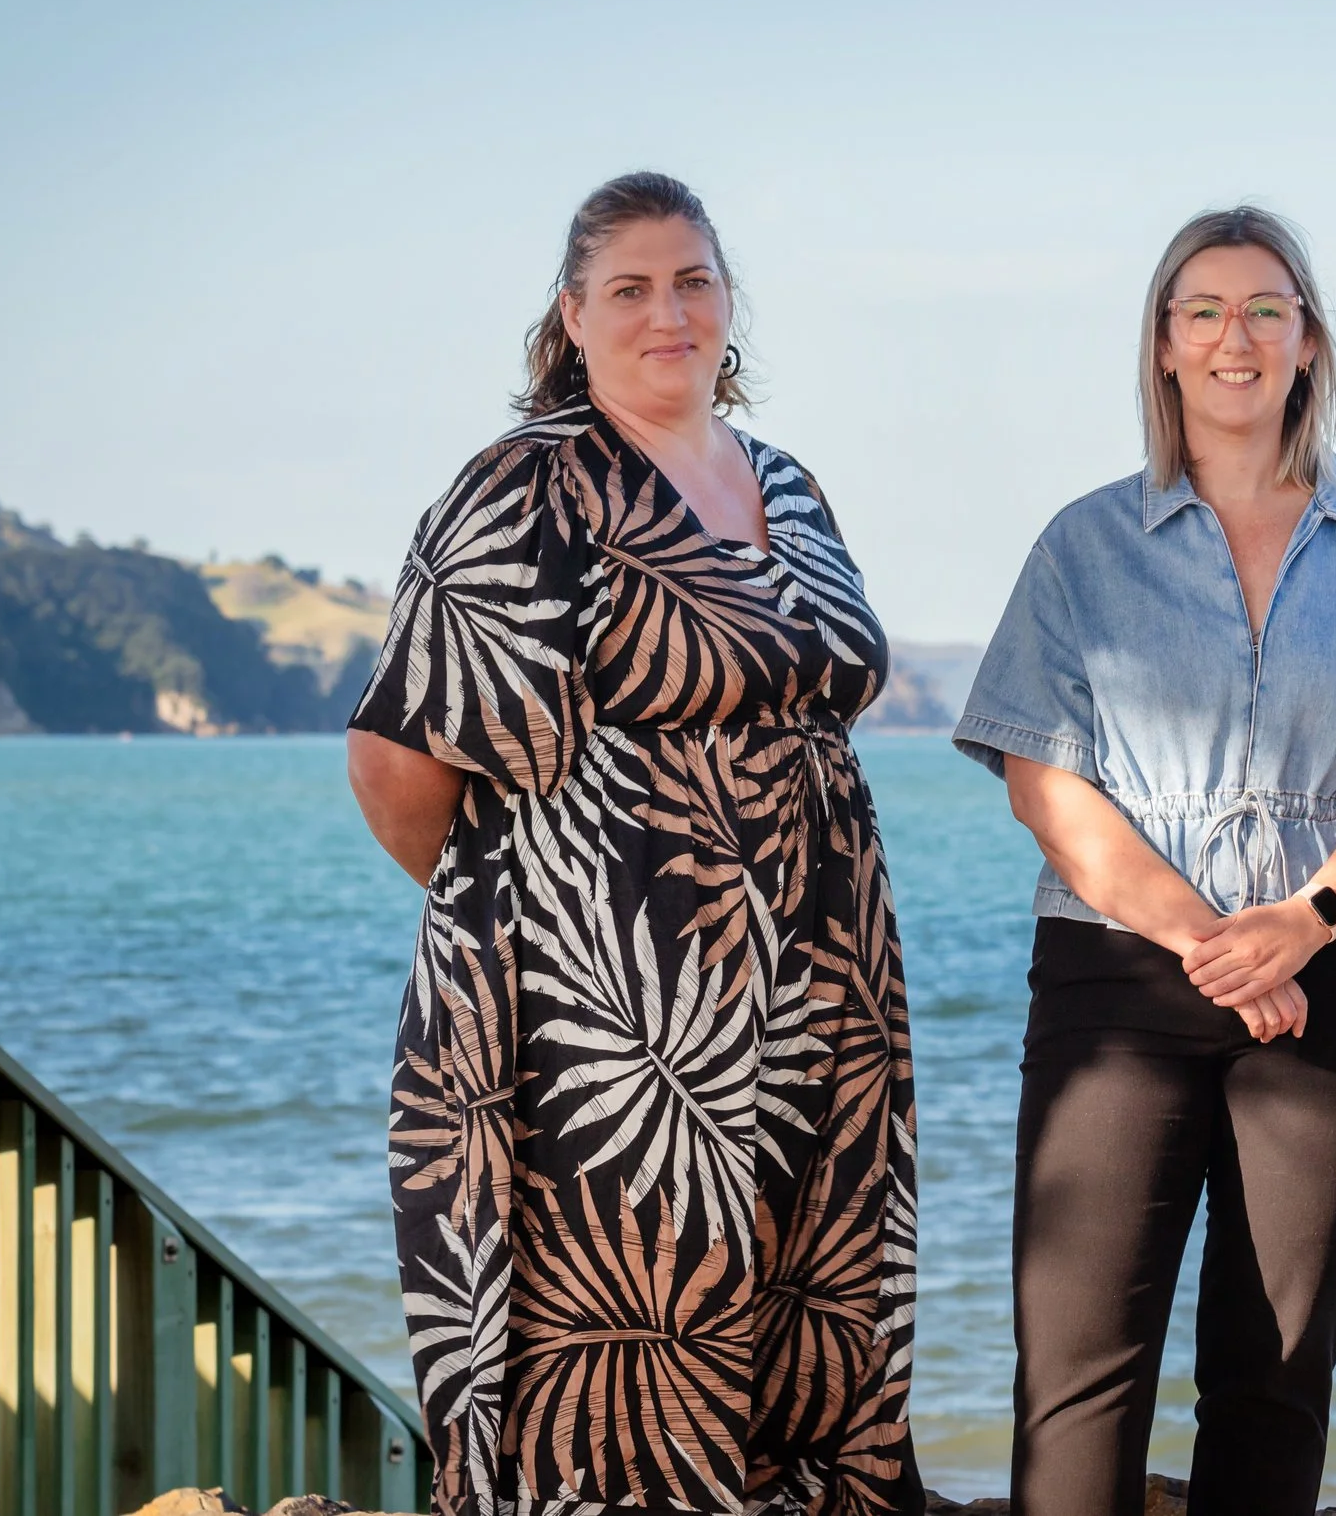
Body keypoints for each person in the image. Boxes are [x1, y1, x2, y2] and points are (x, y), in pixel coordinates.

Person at [344, 172, 921, 1516]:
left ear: (728, 301)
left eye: (694, 280)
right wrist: (545, 924)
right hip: (606, 1017)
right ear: (572, 315)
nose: (669, 311)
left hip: (810, 977)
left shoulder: (788, 479)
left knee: (803, 1286)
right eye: (630, 288)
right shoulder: (524, 486)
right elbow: (391, 759)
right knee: (619, 1328)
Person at [953, 206, 1336, 1516]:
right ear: (1161, 346)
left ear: (1309, 342)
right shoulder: (1084, 546)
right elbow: (1047, 782)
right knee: (1080, 1365)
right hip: (1118, 974)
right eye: (1202, 311)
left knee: (1274, 1373)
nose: (1235, 337)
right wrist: (1211, 936)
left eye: (1268, 309)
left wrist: (1305, 918)